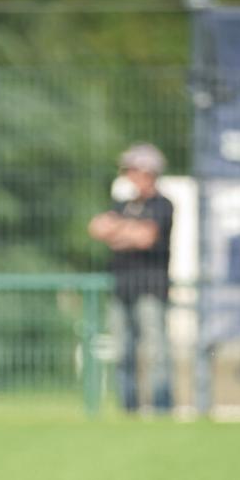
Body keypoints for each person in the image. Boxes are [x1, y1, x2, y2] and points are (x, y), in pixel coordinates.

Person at [88, 143, 174, 413]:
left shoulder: (163, 205)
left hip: (150, 288)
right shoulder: (121, 204)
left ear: (148, 173)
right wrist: (129, 231)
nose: (126, 176)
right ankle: (129, 409)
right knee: (122, 353)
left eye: (132, 170)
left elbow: (146, 237)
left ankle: (161, 408)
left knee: (155, 351)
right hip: (121, 287)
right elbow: (97, 228)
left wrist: (120, 231)